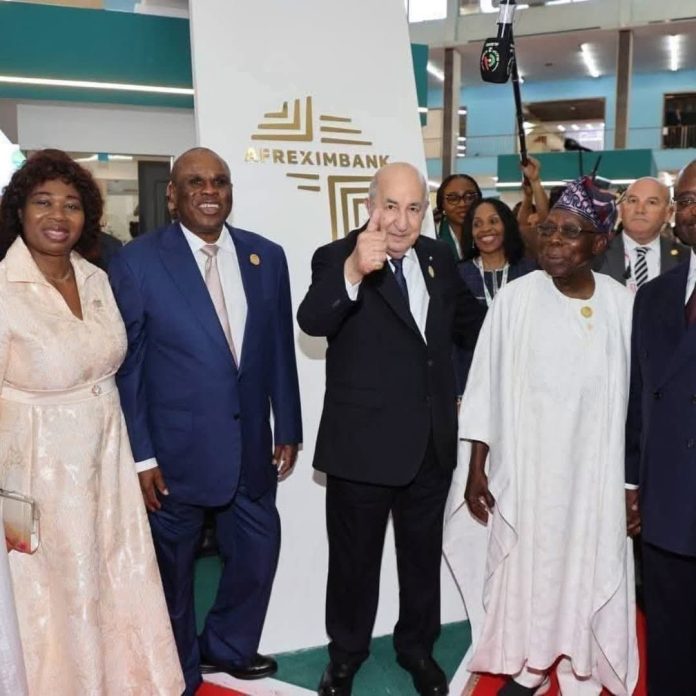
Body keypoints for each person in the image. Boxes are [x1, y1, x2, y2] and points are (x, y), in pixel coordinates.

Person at [109, 146, 302, 696]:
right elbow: (129, 367)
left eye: (219, 180)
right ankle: (181, 670)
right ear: (172, 195)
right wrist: (141, 455)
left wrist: (287, 424)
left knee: (258, 551)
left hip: (250, 445)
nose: (209, 191)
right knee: (173, 572)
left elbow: (278, 348)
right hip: (173, 455)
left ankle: (227, 646)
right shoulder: (138, 261)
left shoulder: (266, 256)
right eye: (195, 182)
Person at [297, 162, 485, 696]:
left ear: (425, 212)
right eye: (391, 206)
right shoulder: (336, 256)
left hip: (430, 445)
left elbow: (473, 325)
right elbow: (313, 320)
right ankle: (345, 656)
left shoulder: (438, 257)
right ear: (370, 206)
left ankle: (417, 649)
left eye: (413, 208)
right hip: (361, 449)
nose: (401, 222)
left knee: (421, 561)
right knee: (353, 564)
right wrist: (354, 272)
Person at [0, 149, 183, 695]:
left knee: (114, 574)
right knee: (52, 592)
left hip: (107, 461)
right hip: (36, 473)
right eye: (43, 202)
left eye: (72, 205)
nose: (58, 215)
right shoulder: (2, 288)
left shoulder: (97, 278)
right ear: (19, 210)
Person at [460, 177, 638, 696]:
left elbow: (638, 405)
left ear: (599, 243)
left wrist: (633, 485)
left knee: (585, 564)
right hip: (530, 471)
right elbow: (485, 384)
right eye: (548, 229)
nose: (554, 240)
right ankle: (532, 664)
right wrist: (477, 467)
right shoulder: (516, 299)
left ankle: (581, 661)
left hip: (594, 477)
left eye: (570, 232)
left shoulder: (622, 306)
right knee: (533, 567)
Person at [625, 159, 696, 694]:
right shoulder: (654, 296)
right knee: (669, 646)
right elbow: (637, 399)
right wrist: (631, 483)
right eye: (688, 200)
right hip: (666, 503)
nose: (692, 211)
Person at [455, 198, 535, 393]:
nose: (485, 229)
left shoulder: (530, 272)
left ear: (507, 226)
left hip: (523, 380)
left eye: (493, 221)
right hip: (472, 380)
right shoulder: (457, 275)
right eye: (477, 224)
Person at [595, 176, 688, 290]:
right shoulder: (595, 254)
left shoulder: (687, 259)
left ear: (668, 213)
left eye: (651, 202)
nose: (640, 210)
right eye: (633, 201)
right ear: (622, 208)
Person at [435, 174, 482, 260]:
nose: (462, 204)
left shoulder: (490, 233)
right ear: (442, 204)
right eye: (453, 198)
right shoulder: (432, 236)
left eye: (469, 197)